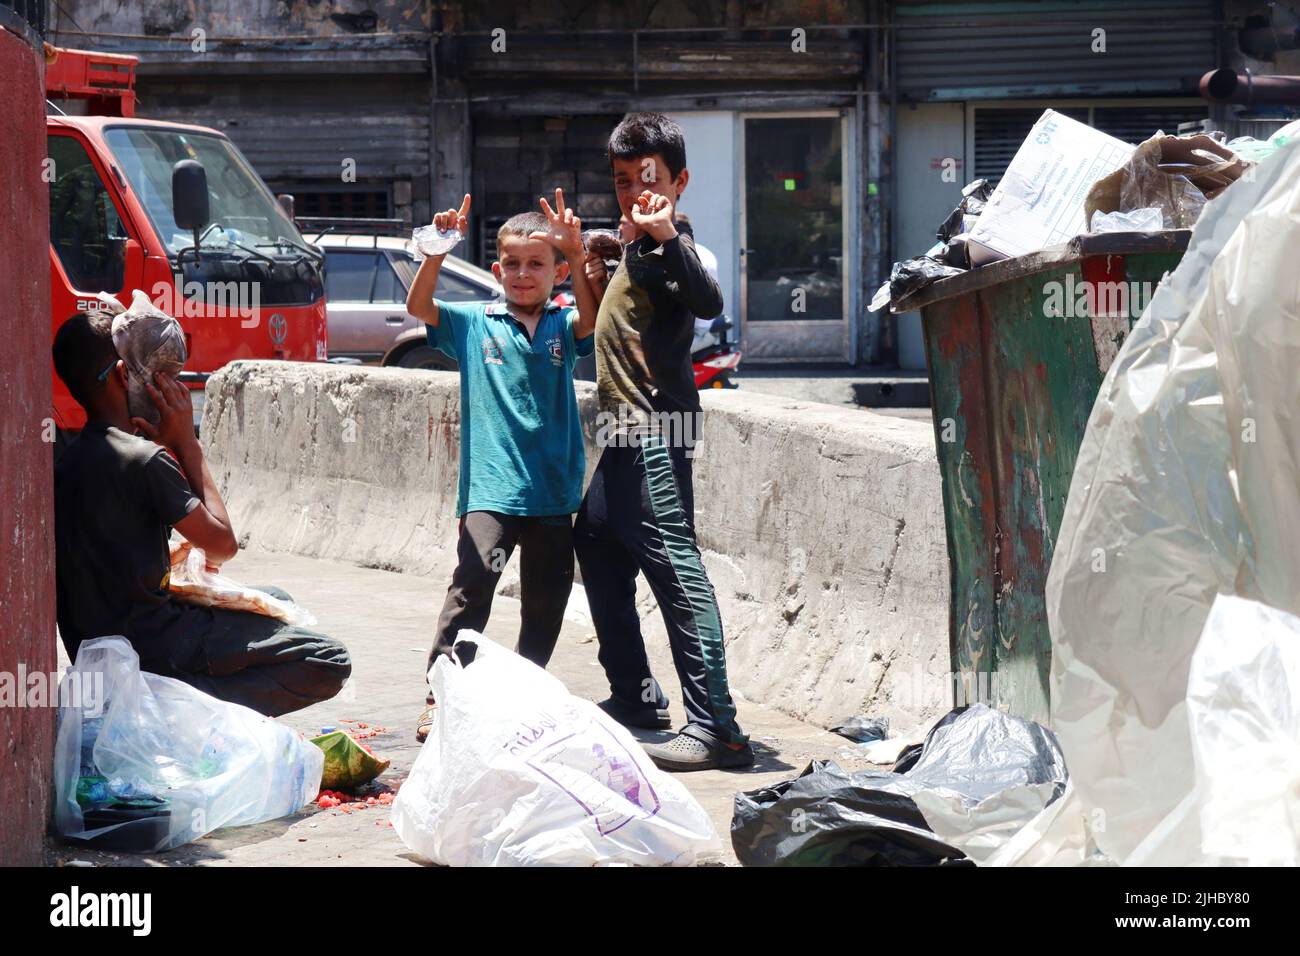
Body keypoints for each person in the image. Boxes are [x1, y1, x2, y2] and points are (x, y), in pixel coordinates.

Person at [52, 314, 351, 717]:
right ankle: (176, 708)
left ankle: (165, 696)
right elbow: (223, 545)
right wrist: (187, 445)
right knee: (329, 661)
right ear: (125, 374)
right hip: (152, 644)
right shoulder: (145, 460)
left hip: (99, 645)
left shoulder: (68, 459)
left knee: (277, 601)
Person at [575, 111, 753, 772]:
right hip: (620, 431)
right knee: (593, 540)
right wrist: (595, 251)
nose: (633, 192)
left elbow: (704, 298)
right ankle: (637, 696)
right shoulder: (636, 249)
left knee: (675, 568)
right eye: (622, 180)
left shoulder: (682, 246)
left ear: (679, 181)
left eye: (647, 180)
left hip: (655, 429)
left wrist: (663, 233)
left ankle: (719, 728)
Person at [405, 190, 598, 742]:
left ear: (557, 272)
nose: (522, 273)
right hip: (492, 491)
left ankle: (522, 695)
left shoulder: (564, 325)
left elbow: (593, 317)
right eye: (511, 263)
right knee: (471, 591)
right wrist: (436, 251)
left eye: (537, 263)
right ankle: (440, 698)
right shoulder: (474, 322)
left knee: (545, 602)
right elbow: (422, 308)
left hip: (555, 493)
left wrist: (577, 248)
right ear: (495, 268)